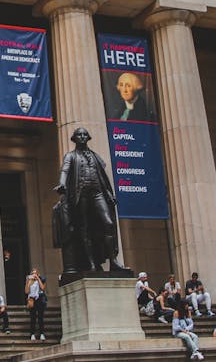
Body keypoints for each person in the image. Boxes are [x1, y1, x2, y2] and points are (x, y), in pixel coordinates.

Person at [54, 127, 127, 274]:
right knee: (84, 228)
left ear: (88, 137)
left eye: (84, 134)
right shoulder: (70, 156)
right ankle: (91, 263)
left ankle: (113, 261)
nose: (82, 137)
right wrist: (62, 183)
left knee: (108, 223)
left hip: (97, 193)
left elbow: (102, 176)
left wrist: (108, 193)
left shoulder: (95, 156)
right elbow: (65, 170)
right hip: (81, 195)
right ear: (74, 139)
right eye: (79, 135)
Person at [25, 268, 47, 341]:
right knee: (33, 318)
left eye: (35, 273)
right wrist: (28, 282)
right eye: (32, 273)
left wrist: (38, 279)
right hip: (31, 300)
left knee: (40, 317)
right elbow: (26, 291)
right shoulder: (29, 281)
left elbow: (43, 288)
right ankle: (32, 334)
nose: (34, 275)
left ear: (38, 274)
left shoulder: (41, 280)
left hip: (39, 299)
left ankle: (42, 333)